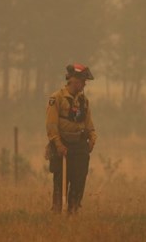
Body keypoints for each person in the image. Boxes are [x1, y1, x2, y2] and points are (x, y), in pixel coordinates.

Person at [45, 63, 97, 213]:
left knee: (79, 179)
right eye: (81, 81)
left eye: (85, 81)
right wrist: (58, 144)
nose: (84, 84)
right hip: (62, 145)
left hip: (79, 146)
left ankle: (73, 210)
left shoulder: (84, 101)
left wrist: (92, 137)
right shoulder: (56, 98)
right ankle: (57, 210)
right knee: (60, 180)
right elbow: (51, 125)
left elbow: (88, 124)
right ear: (72, 80)